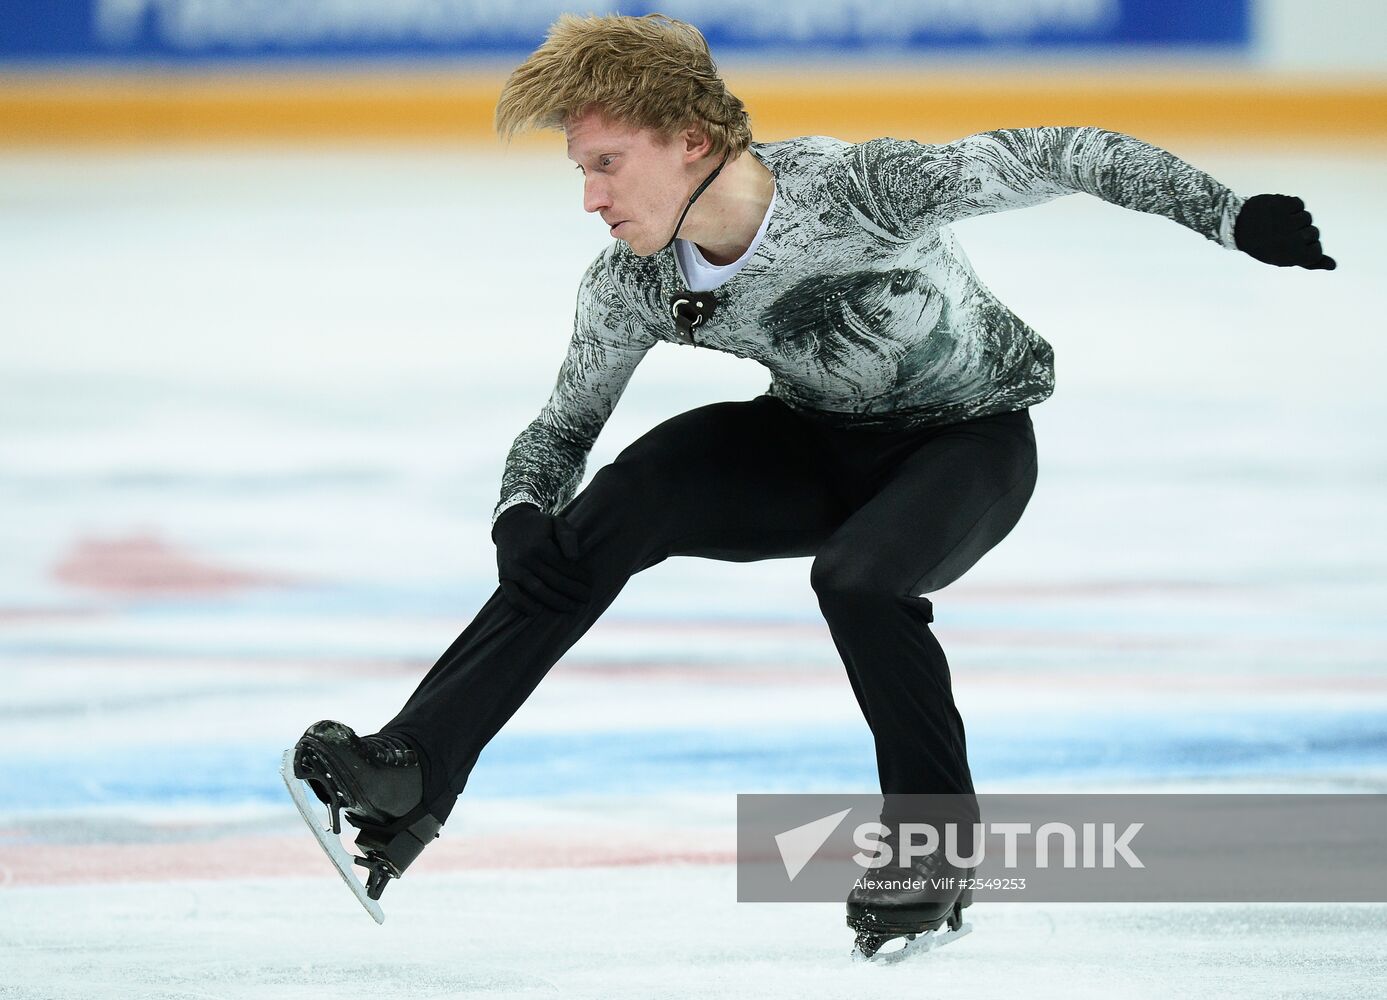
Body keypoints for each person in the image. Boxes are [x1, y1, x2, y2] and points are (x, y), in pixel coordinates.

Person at [288, 12, 1335, 953]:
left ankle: (932, 852)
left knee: (861, 579)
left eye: (606, 163)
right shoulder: (632, 284)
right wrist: (522, 515)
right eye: (580, 171)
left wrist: (1229, 215)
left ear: (690, 141)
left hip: (967, 444)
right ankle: (411, 777)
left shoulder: (860, 191)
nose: (590, 197)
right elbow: (561, 429)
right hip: (812, 442)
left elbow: (1065, 152)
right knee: (627, 494)